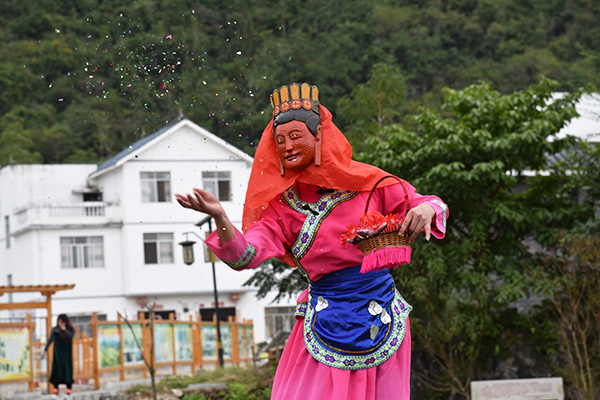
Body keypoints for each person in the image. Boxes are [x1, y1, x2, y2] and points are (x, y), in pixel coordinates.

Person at [176, 83, 448, 400]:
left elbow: (429, 202)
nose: (287, 146)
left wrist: (427, 208)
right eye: (279, 141)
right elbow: (244, 256)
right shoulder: (281, 208)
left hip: (380, 313)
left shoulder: (370, 185)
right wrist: (221, 218)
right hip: (323, 316)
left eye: (295, 137)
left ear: (319, 137)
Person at [43, 314, 74, 396]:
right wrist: (45, 350)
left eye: (61, 321)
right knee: (56, 374)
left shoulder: (69, 330)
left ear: (65, 322)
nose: (60, 323)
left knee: (67, 374)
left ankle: (68, 392)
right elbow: (50, 340)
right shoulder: (55, 330)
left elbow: (71, 336)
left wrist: (64, 330)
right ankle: (56, 391)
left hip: (66, 357)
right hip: (57, 356)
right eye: (58, 321)